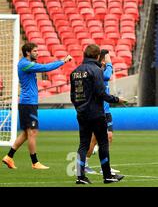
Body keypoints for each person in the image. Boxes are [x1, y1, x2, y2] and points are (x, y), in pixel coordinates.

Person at [2, 42, 72, 170]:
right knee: (33, 132)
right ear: (28, 52)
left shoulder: (25, 63)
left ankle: (9, 156)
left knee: (26, 133)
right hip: (28, 103)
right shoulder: (25, 64)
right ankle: (35, 162)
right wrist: (63, 61)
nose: (37, 53)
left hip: (28, 103)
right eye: (35, 51)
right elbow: (45, 68)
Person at [70, 44, 126, 184]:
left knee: (83, 144)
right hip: (96, 113)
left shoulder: (75, 72)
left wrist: (79, 108)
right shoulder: (96, 70)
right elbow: (101, 93)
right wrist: (117, 99)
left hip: (81, 113)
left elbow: (73, 96)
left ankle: (80, 177)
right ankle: (107, 175)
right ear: (96, 56)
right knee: (103, 143)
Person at [84, 49, 120, 174]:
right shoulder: (99, 72)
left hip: (107, 111)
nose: (110, 60)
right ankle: (85, 163)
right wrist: (109, 64)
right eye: (108, 58)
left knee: (108, 138)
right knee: (95, 139)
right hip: (99, 111)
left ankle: (104, 165)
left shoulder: (102, 70)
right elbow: (107, 76)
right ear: (102, 59)